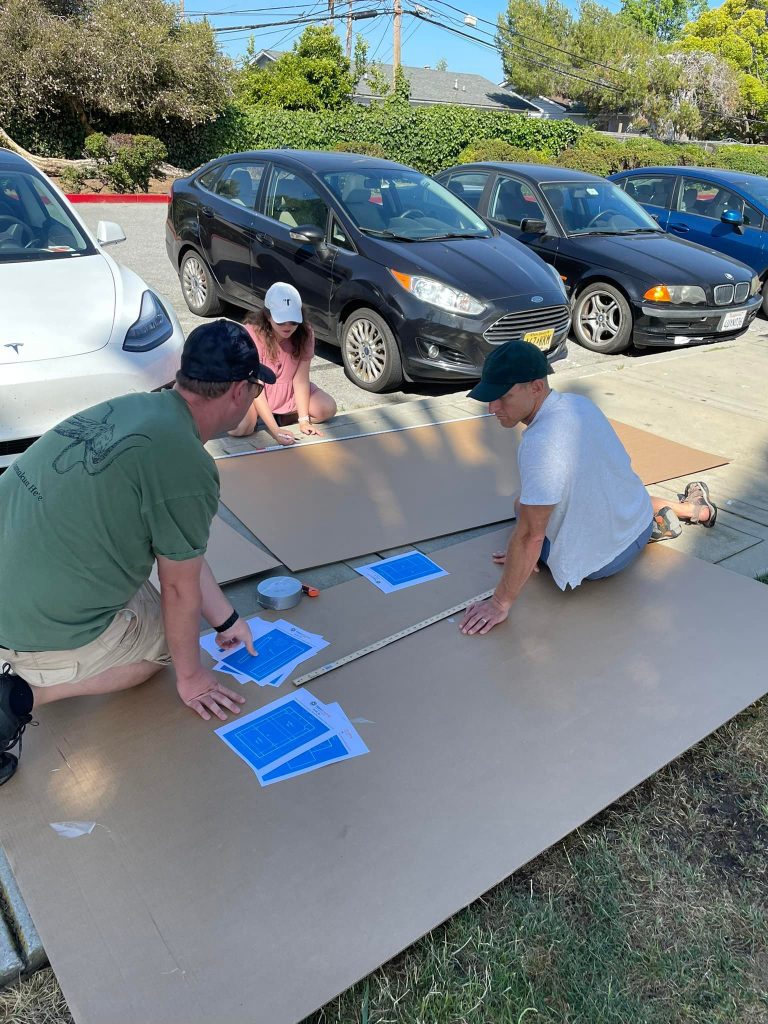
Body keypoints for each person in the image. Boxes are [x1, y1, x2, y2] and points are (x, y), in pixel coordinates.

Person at [0, 319, 278, 786]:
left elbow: (181, 552)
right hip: (23, 622)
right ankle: (20, 693)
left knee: (164, 590)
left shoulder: (138, 408)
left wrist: (227, 621)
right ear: (236, 391)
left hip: (16, 568)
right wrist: (191, 678)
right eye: (255, 388)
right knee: (164, 647)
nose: (255, 397)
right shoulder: (187, 464)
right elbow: (177, 586)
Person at [459, 341, 717, 637]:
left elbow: (532, 535)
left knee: (522, 511)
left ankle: (651, 525)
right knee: (599, 488)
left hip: (602, 564)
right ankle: (693, 510)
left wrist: (499, 601)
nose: (492, 407)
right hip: (638, 521)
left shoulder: (540, 443)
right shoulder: (579, 404)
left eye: (502, 397)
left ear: (536, 387)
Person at [229, 281, 337, 445]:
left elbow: (300, 380)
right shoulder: (251, 334)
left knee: (327, 408)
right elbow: (255, 386)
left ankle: (285, 416)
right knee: (240, 428)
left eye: (293, 321)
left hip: (289, 392)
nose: (288, 326)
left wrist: (303, 420)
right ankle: (268, 418)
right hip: (255, 392)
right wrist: (275, 430)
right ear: (267, 315)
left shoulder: (306, 332)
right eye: (281, 321)